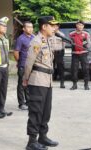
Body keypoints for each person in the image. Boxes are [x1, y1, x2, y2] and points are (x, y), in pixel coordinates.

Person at [23, 16, 59, 150]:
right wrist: (26, 79)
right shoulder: (36, 41)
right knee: (36, 111)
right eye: (51, 25)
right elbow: (29, 62)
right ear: (44, 27)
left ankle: (43, 137)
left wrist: (56, 32)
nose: (54, 28)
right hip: (37, 81)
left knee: (46, 111)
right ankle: (32, 141)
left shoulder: (48, 40)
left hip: (47, 81)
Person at [14, 21, 34, 110]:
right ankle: (21, 103)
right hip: (23, 65)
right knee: (22, 84)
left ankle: (29, 101)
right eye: (28, 27)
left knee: (29, 84)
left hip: (32, 65)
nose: (30, 29)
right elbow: (16, 52)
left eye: (32, 27)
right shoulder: (20, 39)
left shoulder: (34, 38)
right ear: (24, 29)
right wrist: (19, 62)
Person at [69, 20, 90, 90]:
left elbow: (88, 44)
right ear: (76, 25)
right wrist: (72, 43)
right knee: (74, 70)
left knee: (85, 69)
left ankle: (86, 85)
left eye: (82, 25)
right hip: (75, 54)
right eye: (79, 25)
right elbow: (70, 42)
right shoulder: (71, 34)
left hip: (84, 53)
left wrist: (85, 44)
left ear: (83, 26)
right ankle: (74, 84)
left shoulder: (86, 34)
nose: (80, 26)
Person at [50, 23, 65, 88]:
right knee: (50, 67)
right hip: (51, 52)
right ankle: (50, 82)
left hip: (59, 52)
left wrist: (62, 52)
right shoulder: (49, 34)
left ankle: (62, 83)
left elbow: (63, 45)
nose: (54, 27)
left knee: (60, 68)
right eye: (53, 26)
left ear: (58, 27)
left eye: (56, 26)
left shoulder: (61, 34)